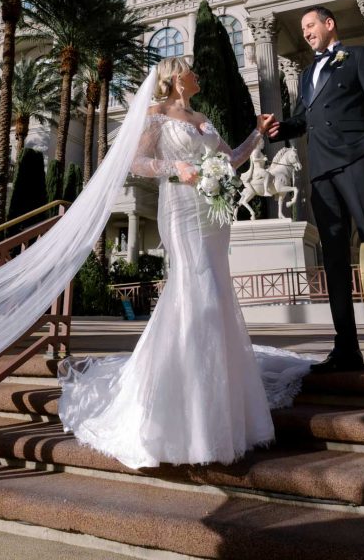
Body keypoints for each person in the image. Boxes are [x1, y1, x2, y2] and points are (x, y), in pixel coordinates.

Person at [58, 57, 312, 470]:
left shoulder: (202, 117)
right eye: (191, 70)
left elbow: (229, 160)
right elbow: (135, 163)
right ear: (175, 79)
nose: (197, 74)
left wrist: (258, 134)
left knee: (215, 290)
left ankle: (221, 404)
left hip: (212, 216)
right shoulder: (156, 115)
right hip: (180, 208)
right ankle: (189, 412)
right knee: (197, 290)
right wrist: (175, 168)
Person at [263, 5, 364, 373]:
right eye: (302, 28)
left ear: (329, 24)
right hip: (321, 171)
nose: (305, 32)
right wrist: (281, 129)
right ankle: (346, 350)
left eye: (310, 25)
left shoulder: (358, 56)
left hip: (356, 161)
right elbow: (307, 118)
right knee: (334, 260)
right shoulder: (306, 75)